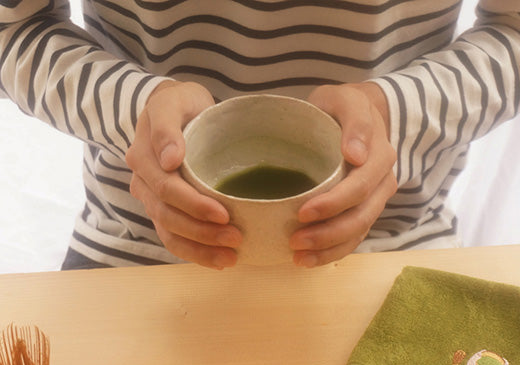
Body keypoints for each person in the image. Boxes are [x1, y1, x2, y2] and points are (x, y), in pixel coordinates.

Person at [0, 1, 518, 270]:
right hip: (137, 235)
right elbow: (13, 29)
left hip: (394, 240)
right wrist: (134, 110)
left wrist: (396, 113)